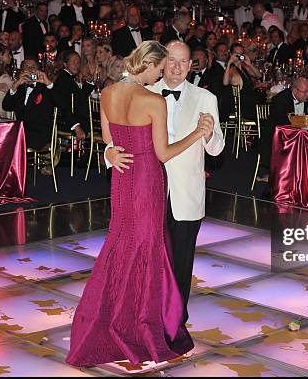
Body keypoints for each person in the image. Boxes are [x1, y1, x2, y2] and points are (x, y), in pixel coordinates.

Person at [65, 41, 211, 367]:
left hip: (122, 179)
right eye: (160, 69)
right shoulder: (152, 100)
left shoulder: (107, 93)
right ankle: (139, 326)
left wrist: (111, 153)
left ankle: (110, 318)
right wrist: (197, 134)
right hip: (146, 180)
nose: (160, 74)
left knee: (121, 245)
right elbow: (163, 153)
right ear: (150, 65)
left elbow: (107, 139)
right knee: (146, 250)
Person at [99, 39, 225, 329]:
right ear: (159, 62)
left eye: (184, 62)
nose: (177, 68)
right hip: (146, 190)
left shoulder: (206, 99)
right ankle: (144, 315)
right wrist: (109, 153)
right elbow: (115, 138)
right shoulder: (143, 90)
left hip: (185, 192)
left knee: (180, 262)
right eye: (171, 60)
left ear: (192, 65)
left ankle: (174, 321)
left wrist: (206, 134)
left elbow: (217, 149)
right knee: (145, 257)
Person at [2, 58, 55, 156]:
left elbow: (59, 101)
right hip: (21, 132)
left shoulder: (45, 88)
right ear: (22, 71)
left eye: (33, 67)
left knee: (9, 142)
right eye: (27, 67)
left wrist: (47, 82)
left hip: (39, 133)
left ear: (39, 71)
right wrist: (15, 85)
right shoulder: (20, 89)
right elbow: (6, 106)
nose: (30, 70)